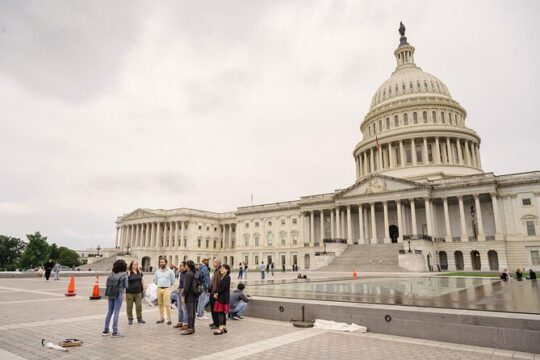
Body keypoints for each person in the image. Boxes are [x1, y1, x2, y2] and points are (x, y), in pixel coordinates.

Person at [103, 259, 129, 337]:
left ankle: (106, 330)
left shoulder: (111, 274)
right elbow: (126, 286)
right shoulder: (124, 275)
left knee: (109, 311)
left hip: (110, 293)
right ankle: (115, 332)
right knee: (116, 312)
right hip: (119, 294)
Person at [153, 257, 176, 325]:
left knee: (167, 304)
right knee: (160, 304)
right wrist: (160, 284)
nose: (161, 263)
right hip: (159, 289)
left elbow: (173, 280)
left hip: (166, 289)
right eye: (160, 262)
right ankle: (161, 318)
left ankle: (169, 319)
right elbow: (155, 280)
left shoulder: (170, 271)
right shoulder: (157, 271)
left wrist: (167, 285)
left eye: (162, 262)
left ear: (166, 263)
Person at [181, 260, 198, 335]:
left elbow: (186, 287)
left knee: (189, 313)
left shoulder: (188, 274)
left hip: (189, 295)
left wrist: (183, 296)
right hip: (194, 295)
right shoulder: (194, 272)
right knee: (193, 312)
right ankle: (192, 327)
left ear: (187, 266)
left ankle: (190, 328)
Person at [213, 264, 231, 335]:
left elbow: (224, 288)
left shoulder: (227, 277)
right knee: (222, 312)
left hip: (223, 297)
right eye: (221, 268)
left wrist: (217, 293)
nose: (221, 269)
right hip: (222, 297)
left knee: (220, 312)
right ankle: (224, 327)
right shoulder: (223, 277)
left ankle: (220, 328)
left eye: (223, 268)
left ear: (227, 270)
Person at [126, 260, 145, 325]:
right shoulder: (128, 273)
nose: (135, 265)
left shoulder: (139, 272)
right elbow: (125, 282)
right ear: (131, 265)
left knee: (139, 306)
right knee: (129, 306)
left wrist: (144, 289)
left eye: (136, 264)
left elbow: (141, 281)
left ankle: (139, 318)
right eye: (134, 264)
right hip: (129, 292)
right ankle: (130, 319)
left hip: (138, 292)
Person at [173, 262, 189, 330]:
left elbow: (187, 285)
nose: (180, 267)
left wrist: (183, 293)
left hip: (184, 293)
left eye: (181, 266)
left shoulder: (188, 274)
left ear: (185, 266)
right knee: (179, 308)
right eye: (179, 266)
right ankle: (180, 321)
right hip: (180, 291)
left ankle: (186, 323)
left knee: (184, 309)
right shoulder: (182, 273)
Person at [208, 259, 222, 329]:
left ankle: (217, 324)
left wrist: (216, 292)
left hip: (215, 293)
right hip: (212, 292)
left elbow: (219, 283)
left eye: (214, 262)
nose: (213, 263)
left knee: (215, 309)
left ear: (218, 263)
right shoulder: (216, 270)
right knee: (213, 309)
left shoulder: (219, 271)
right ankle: (215, 322)